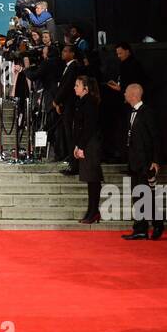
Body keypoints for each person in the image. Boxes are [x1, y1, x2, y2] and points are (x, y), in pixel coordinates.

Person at [121, 83, 163, 240]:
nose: (124, 94)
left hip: (146, 162)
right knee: (138, 196)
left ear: (133, 95)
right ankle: (141, 228)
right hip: (134, 162)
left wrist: (155, 160)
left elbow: (156, 138)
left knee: (146, 196)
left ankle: (157, 224)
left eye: (125, 92)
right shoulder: (130, 112)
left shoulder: (147, 112)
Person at [70, 75, 104, 224]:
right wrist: (78, 145)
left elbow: (89, 127)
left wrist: (81, 146)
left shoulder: (89, 102)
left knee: (93, 179)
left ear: (86, 88)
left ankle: (93, 211)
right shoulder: (82, 102)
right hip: (86, 144)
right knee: (90, 180)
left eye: (77, 85)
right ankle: (91, 211)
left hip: (91, 145)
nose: (74, 88)